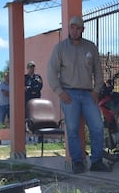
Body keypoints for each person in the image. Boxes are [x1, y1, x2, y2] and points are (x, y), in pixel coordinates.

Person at [46, 15, 112, 174]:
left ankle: (96, 161)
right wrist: (60, 92)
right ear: (69, 29)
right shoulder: (60, 48)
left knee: (97, 127)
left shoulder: (90, 47)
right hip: (69, 94)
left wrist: (97, 90)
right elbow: (51, 71)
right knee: (73, 129)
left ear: (83, 30)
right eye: (72, 28)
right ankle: (77, 162)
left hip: (89, 95)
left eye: (78, 28)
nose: (75, 31)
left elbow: (98, 70)